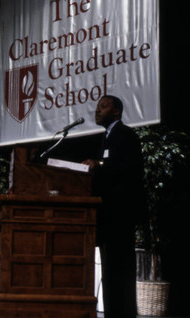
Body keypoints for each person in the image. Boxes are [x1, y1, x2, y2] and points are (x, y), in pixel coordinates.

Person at [82, 95, 145, 318]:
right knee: (110, 272)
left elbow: (127, 169)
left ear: (116, 111)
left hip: (120, 215)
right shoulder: (106, 138)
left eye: (104, 106)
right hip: (106, 216)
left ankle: (123, 314)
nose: (97, 111)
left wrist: (97, 165)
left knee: (120, 272)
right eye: (98, 107)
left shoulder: (126, 135)